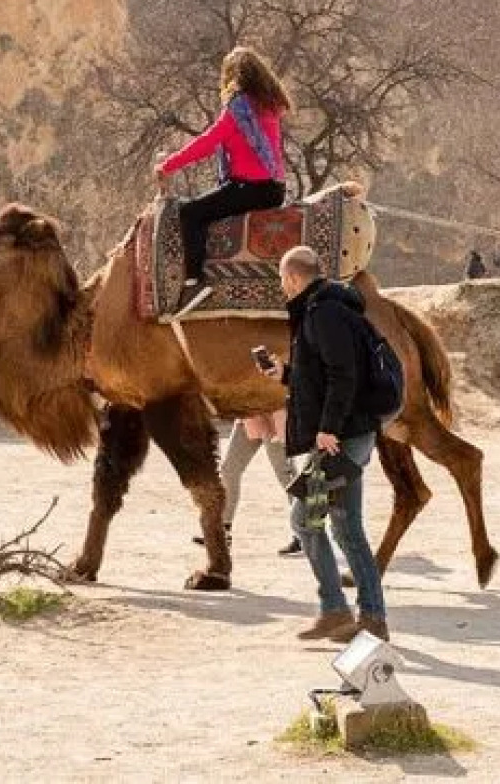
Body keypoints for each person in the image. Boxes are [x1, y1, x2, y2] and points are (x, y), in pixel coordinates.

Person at [257, 246, 387, 642]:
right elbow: (321, 374)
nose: (282, 287)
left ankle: (348, 612)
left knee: (310, 521)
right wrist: (285, 374)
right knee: (340, 526)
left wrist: (329, 427)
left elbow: (343, 375)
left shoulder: (323, 314)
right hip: (346, 436)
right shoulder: (327, 310)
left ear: (294, 278)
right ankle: (354, 614)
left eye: (283, 280)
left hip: (338, 440)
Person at [155, 47, 291, 297]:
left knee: (190, 213)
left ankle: (194, 282)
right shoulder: (270, 105)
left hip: (250, 189)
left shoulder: (238, 110)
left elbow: (207, 143)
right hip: (275, 189)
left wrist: (168, 165)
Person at [205, 411, 304, 558]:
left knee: (287, 478)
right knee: (229, 469)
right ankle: (223, 531)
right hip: (249, 416)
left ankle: (304, 534)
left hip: (274, 417)